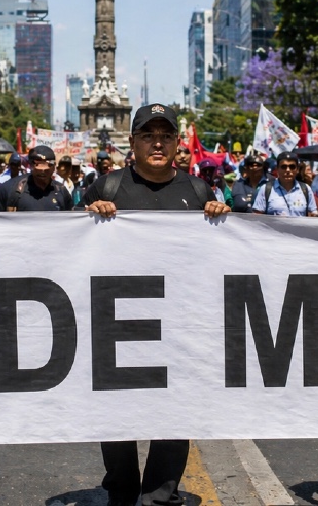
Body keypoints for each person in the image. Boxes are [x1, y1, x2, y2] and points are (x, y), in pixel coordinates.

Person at [82, 103, 230, 506]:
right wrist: (88, 216)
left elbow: (218, 259)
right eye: (148, 135)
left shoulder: (198, 191)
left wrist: (221, 218)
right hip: (118, 326)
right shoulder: (106, 188)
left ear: (178, 143)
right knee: (115, 414)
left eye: (165, 135)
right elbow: (71, 252)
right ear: (133, 142)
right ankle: (121, 491)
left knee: (176, 413)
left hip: (179, 326)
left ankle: (160, 495)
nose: (157, 143)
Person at [0, 145, 73, 211]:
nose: (42, 172)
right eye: (39, 168)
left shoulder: (62, 192)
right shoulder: (9, 190)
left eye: (46, 169)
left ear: (54, 167)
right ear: (31, 166)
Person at [252, 151, 317, 217]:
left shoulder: (306, 189)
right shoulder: (266, 189)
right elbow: (257, 217)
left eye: (292, 167)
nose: (288, 170)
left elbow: (312, 215)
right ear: (277, 169)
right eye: (284, 167)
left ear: (297, 169)